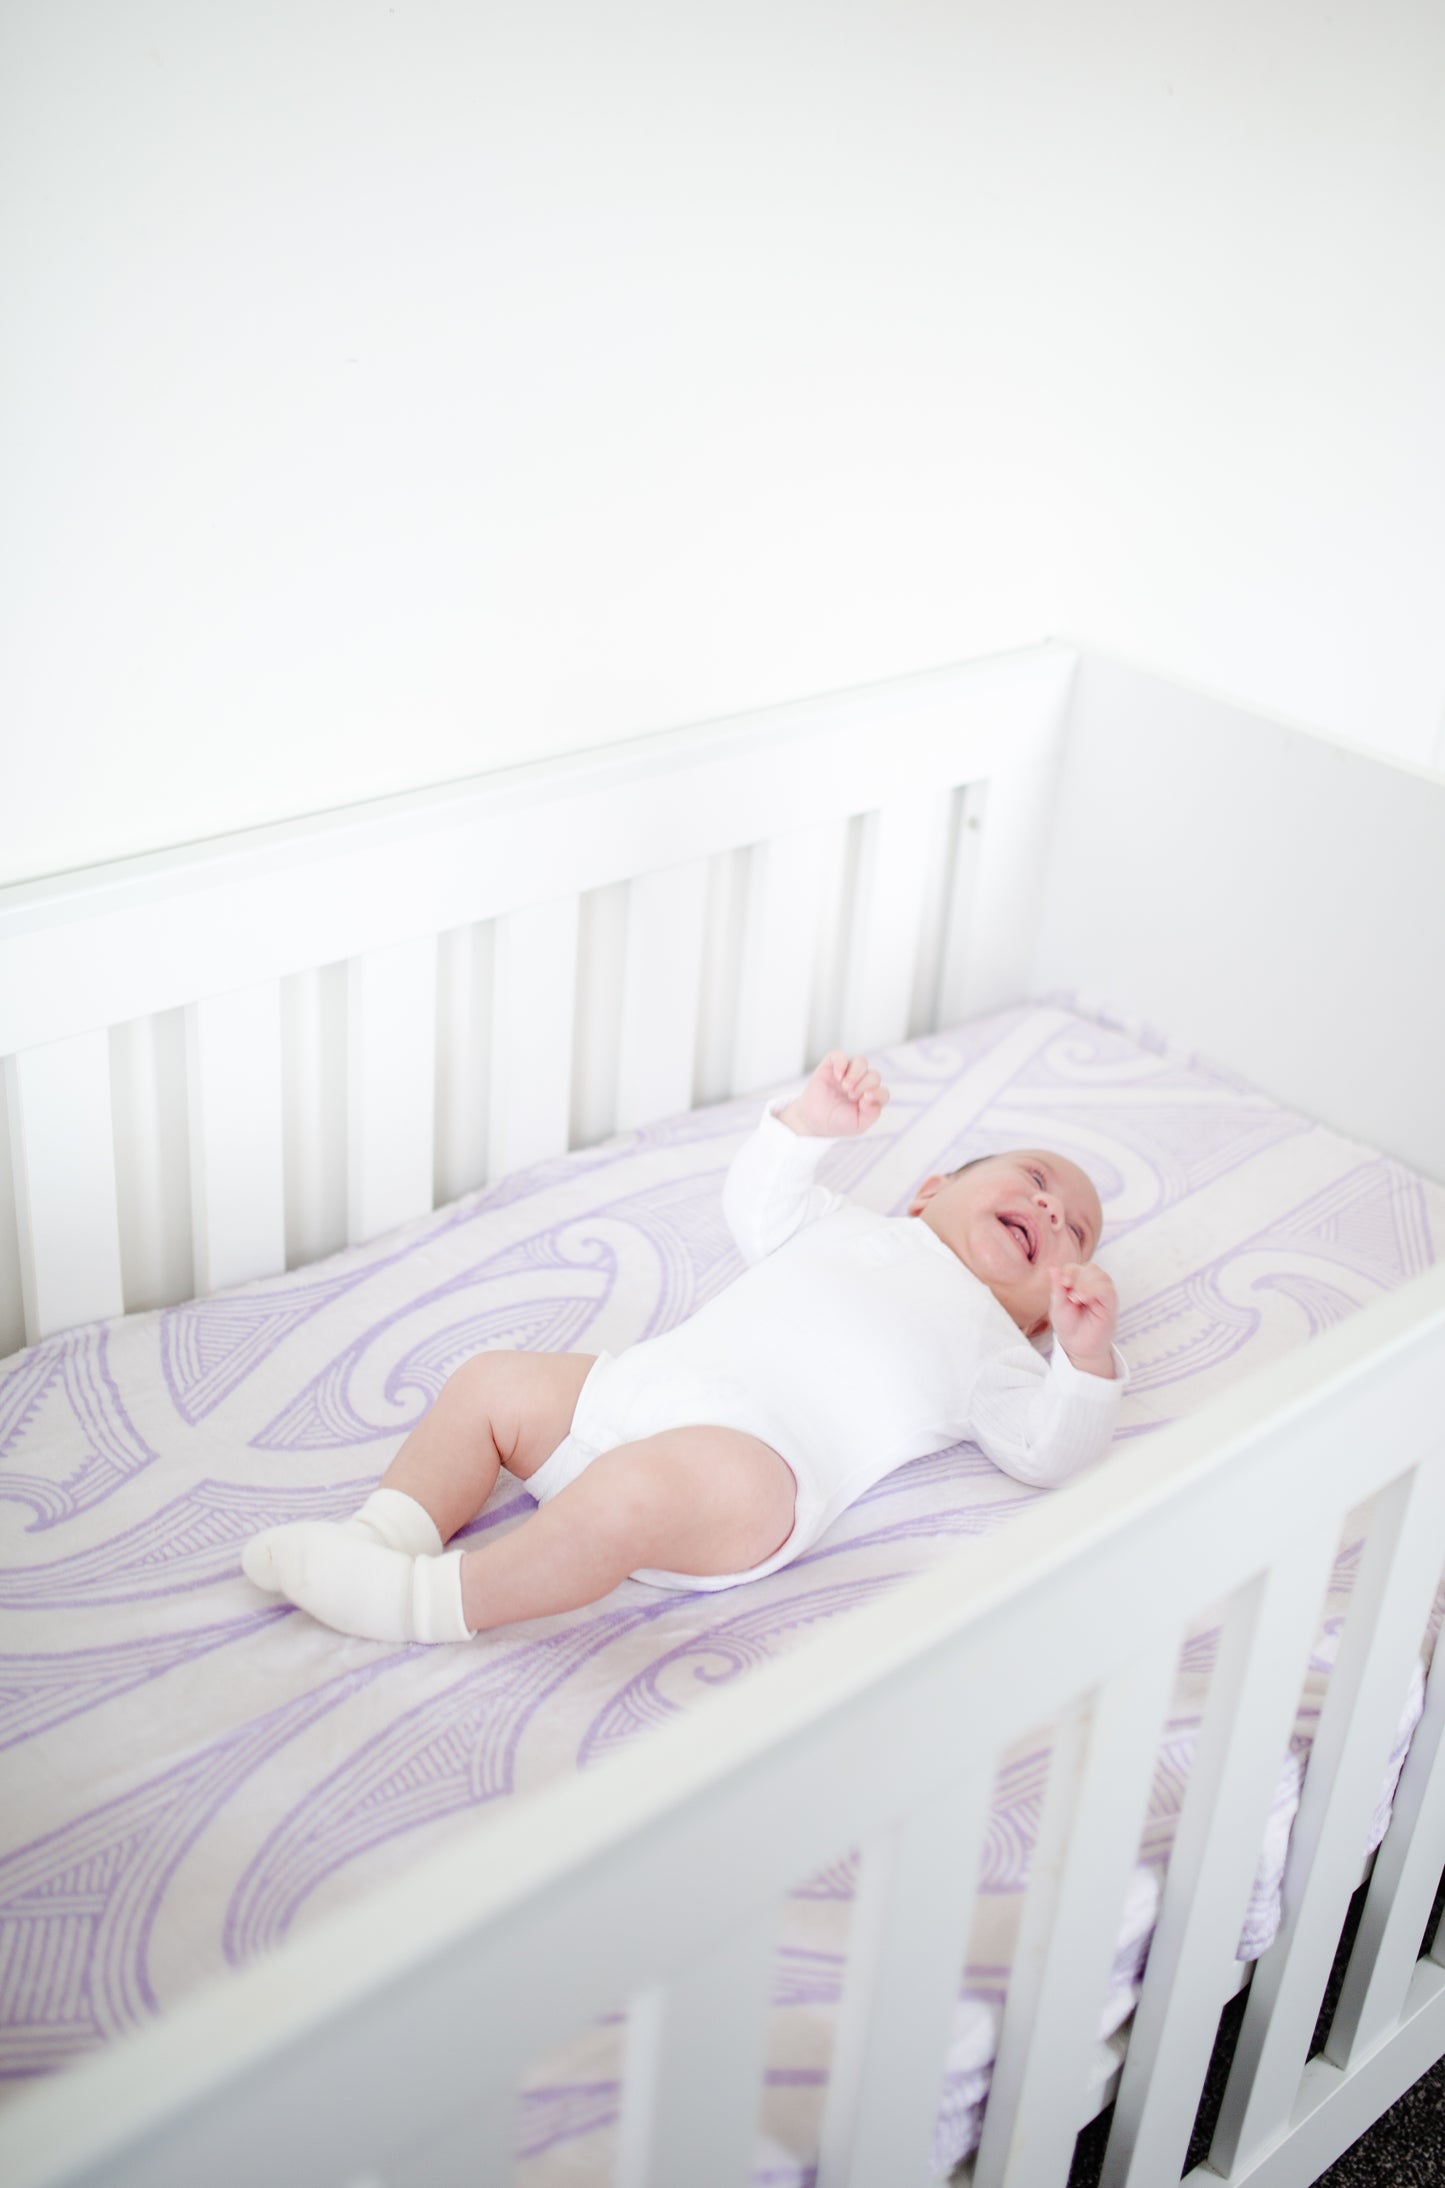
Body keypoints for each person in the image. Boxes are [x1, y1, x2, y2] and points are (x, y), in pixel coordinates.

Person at [242, 1052, 1125, 1644]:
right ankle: (380, 1537)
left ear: (1039, 1317)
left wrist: (1083, 1362)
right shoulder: (838, 1222)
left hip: (753, 1473)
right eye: (1035, 1180)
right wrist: (806, 1124)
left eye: (1073, 1231)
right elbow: (757, 1203)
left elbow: (1045, 1449)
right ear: (931, 1190)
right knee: (488, 1383)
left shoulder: (993, 1348)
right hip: (634, 1392)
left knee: (630, 1495)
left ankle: (422, 1602)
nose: (1049, 1209)